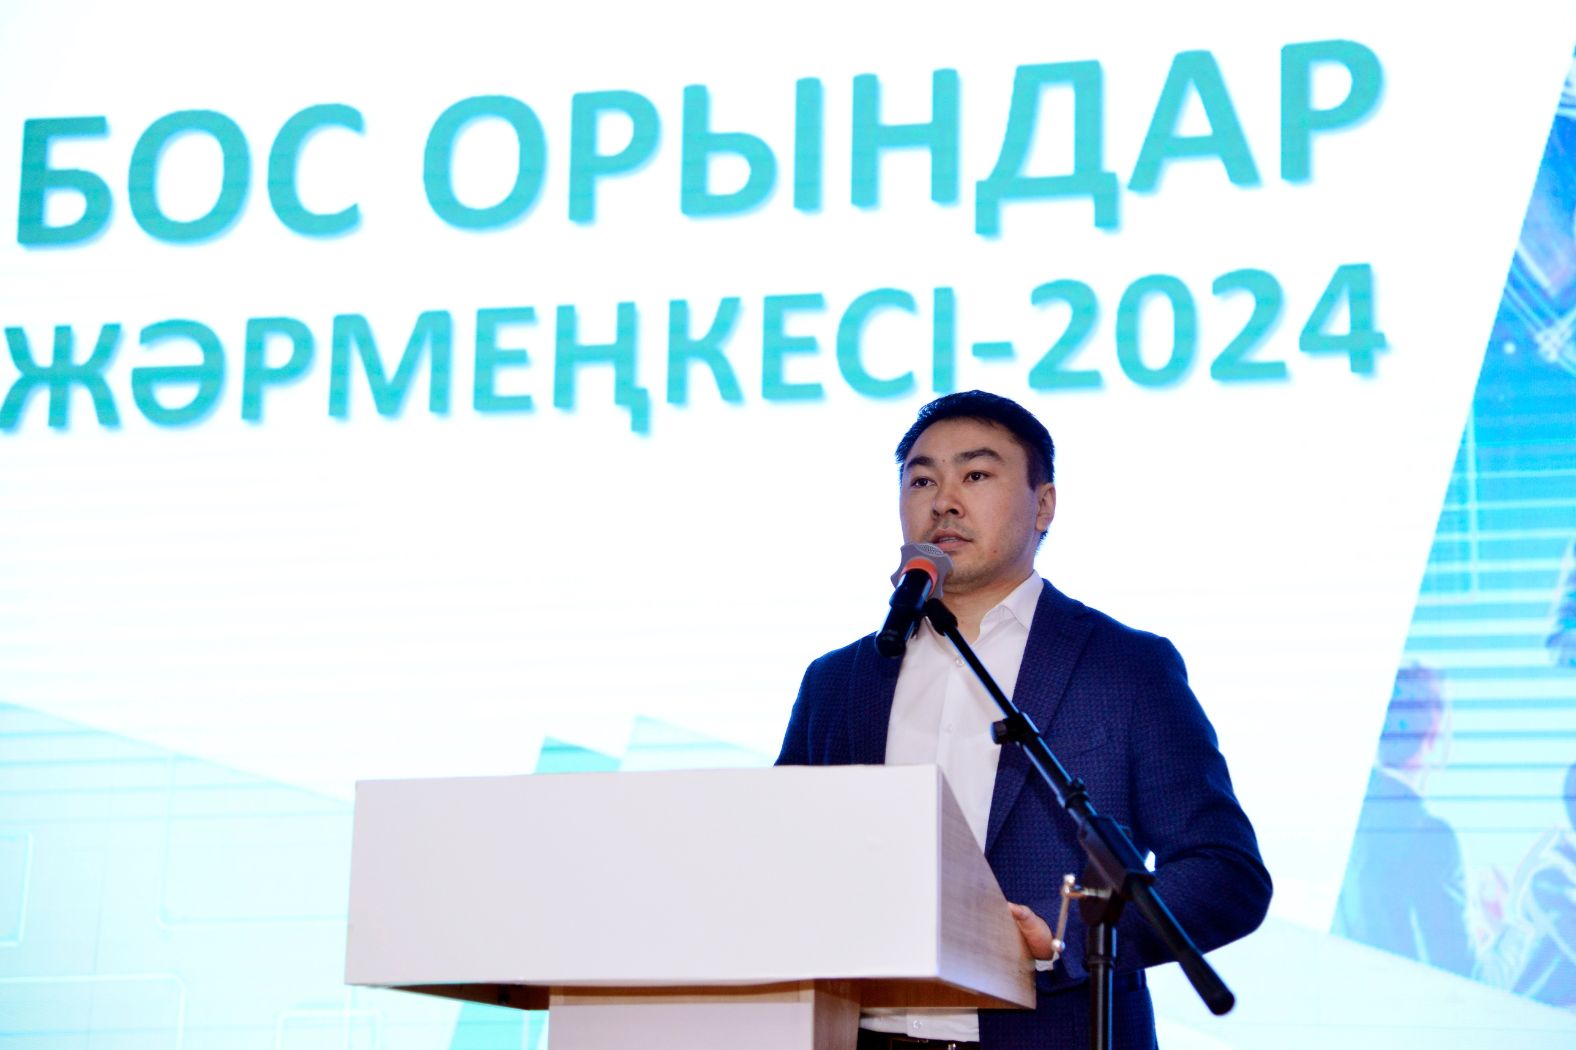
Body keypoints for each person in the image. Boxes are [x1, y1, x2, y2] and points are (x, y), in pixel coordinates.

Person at [777, 391, 1272, 1050]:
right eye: (922, 480)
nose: (944, 501)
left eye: (976, 475)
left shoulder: (1123, 667)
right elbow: (783, 862)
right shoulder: (838, 682)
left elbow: (1225, 872)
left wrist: (1068, 936)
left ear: (1044, 505)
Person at [1331, 664, 1474, 977]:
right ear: (1434, 732)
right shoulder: (1430, 835)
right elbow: (1460, 973)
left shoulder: (1338, 807)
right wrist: (1515, 923)